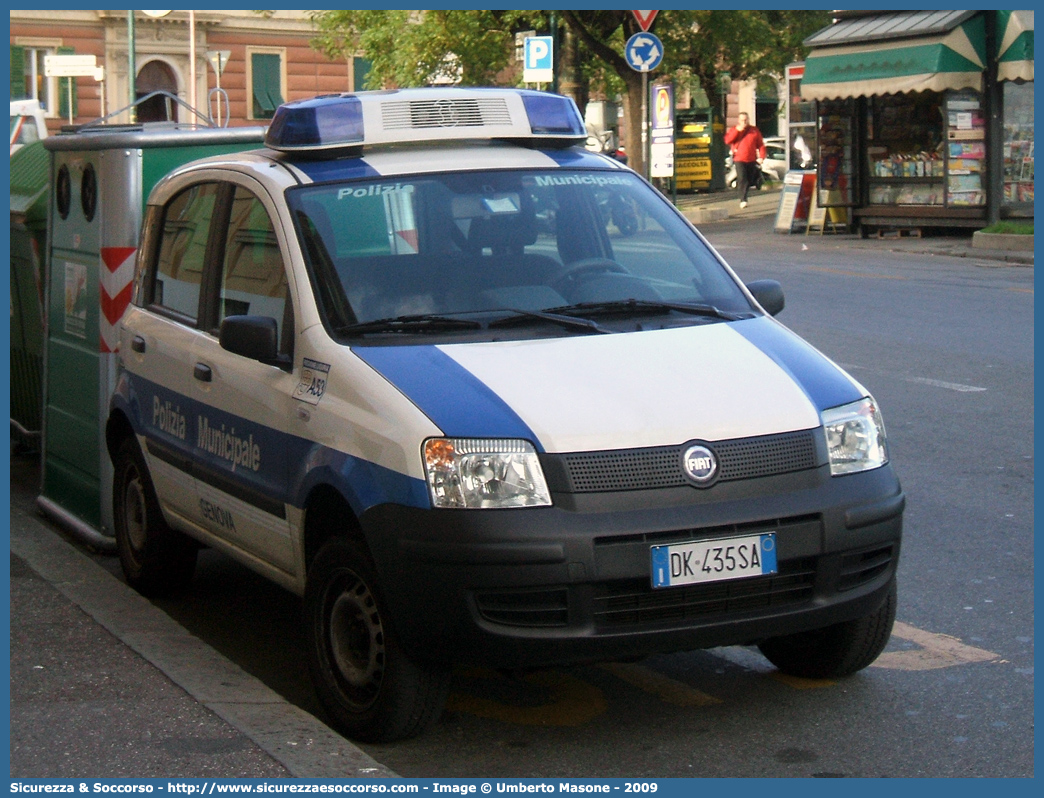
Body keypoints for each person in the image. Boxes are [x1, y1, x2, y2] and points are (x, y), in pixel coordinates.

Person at [724, 112, 766, 208]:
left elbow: (761, 145)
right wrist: (737, 131)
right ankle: (743, 199)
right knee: (742, 177)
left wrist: (761, 157)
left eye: (746, 120)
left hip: (751, 159)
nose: (744, 122)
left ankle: (744, 190)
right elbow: (727, 140)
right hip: (739, 158)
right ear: (739, 121)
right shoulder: (734, 129)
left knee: (749, 179)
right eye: (742, 120)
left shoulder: (754, 131)